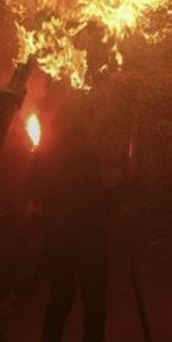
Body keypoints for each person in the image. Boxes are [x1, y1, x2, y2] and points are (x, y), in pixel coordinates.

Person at [25, 94, 108, 342]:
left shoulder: (48, 152)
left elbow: (29, 192)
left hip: (66, 237)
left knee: (68, 299)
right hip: (81, 237)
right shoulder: (83, 154)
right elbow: (94, 197)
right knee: (85, 299)